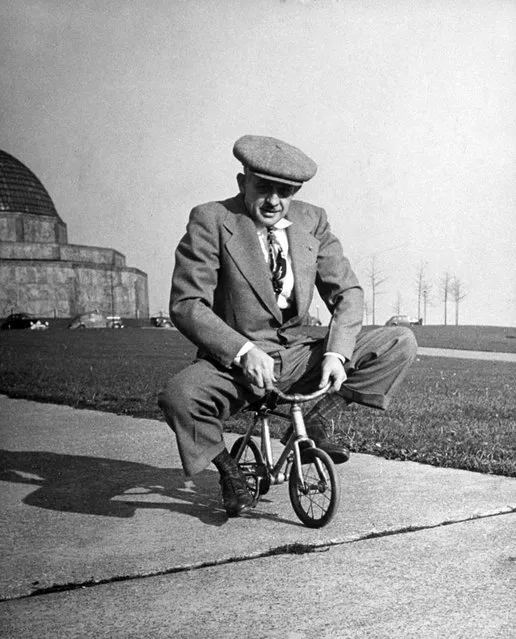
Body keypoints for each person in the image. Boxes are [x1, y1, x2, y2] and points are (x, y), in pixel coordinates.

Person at [158, 134, 417, 517]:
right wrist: (243, 352)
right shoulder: (211, 219)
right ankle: (230, 471)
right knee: (179, 395)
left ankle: (317, 417)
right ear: (242, 181)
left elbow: (348, 291)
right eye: (264, 187)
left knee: (400, 341)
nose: (274, 201)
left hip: (296, 354)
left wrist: (335, 353)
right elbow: (187, 304)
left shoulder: (312, 220)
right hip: (234, 364)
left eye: (286, 191)